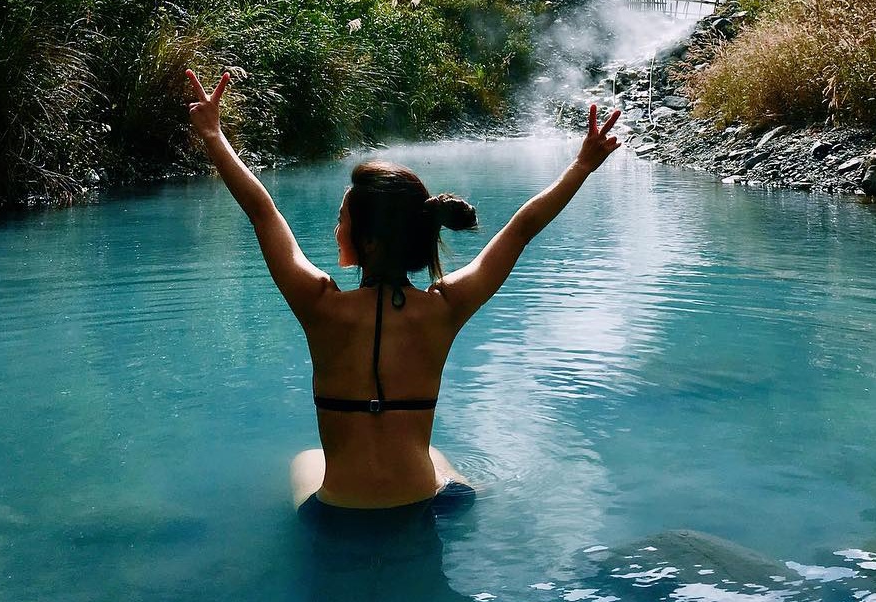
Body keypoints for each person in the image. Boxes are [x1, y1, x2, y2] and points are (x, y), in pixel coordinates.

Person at [185, 68, 621, 517]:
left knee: (306, 461)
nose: (337, 230)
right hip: (422, 502)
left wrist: (214, 136)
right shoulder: (444, 308)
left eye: (343, 219)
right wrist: (582, 164)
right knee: (438, 461)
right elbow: (521, 229)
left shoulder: (319, 305)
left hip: (341, 511)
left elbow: (262, 212)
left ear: (369, 241)